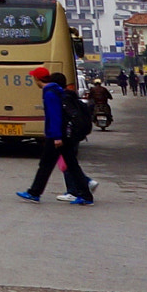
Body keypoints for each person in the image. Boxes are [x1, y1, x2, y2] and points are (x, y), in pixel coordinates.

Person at [17, 70, 92, 205]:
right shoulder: (56, 91)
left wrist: (57, 137)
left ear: (37, 79)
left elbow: (55, 116)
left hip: (57, 136)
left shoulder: (50, 93)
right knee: (66, 165)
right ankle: (85, 195)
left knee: (49, 165)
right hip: (60, 135)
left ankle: (34, 193)